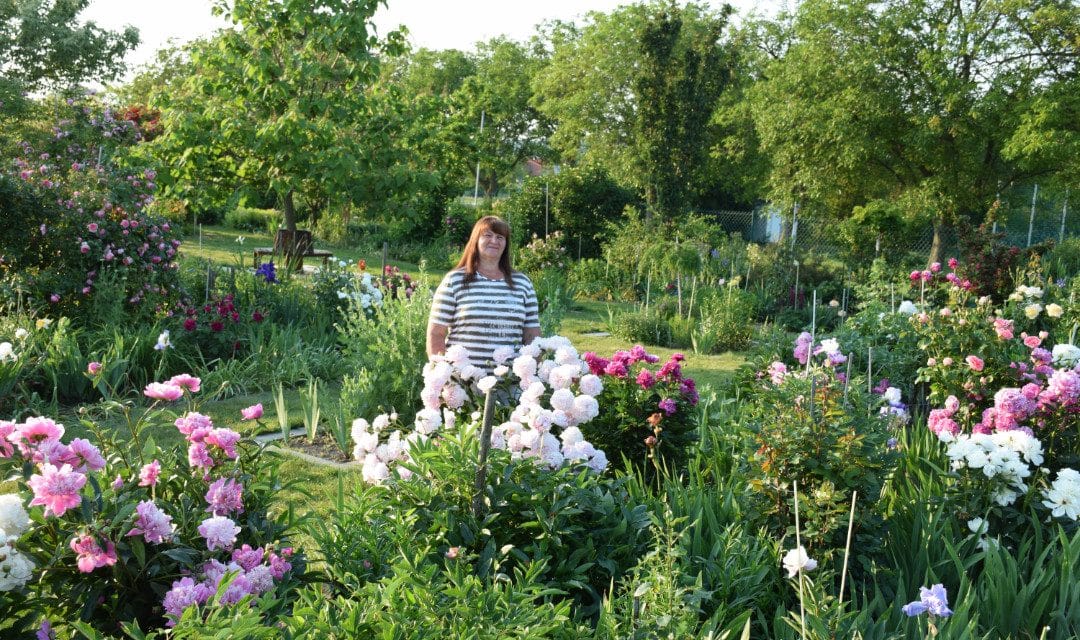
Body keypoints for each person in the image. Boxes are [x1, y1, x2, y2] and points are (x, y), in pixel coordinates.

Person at [427, 215, 540, 364]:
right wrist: (443, 374)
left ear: (506, 244)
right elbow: (436, 333)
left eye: (500, 237)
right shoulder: (454, 281)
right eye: (488, 235)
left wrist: (530, 372)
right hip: (463, 382)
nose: (494, 241)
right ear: (476, 240)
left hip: (511, 384)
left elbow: (532, 334)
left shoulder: (522, 283)